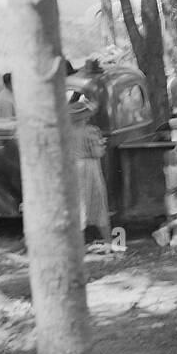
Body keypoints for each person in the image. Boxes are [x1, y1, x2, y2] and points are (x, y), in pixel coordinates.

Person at [70, 98, 112, 247]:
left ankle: (78, 245)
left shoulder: (65, 131)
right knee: (98, 203)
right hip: (89, 168)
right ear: (86, 116)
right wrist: (102, 145)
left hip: (71, 168)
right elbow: (97, 153)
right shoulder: (91, 131)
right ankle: (108, 242)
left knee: (77, 205)